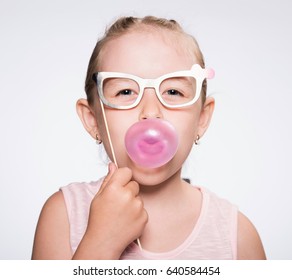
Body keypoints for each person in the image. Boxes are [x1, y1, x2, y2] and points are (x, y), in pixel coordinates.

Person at [32, 16, 266, 260]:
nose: (151, 112)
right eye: (126, 91)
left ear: (202, 118)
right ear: (93, 121)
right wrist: (101, 243)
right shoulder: (64, 216)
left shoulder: (237, 236)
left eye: (173, 91)